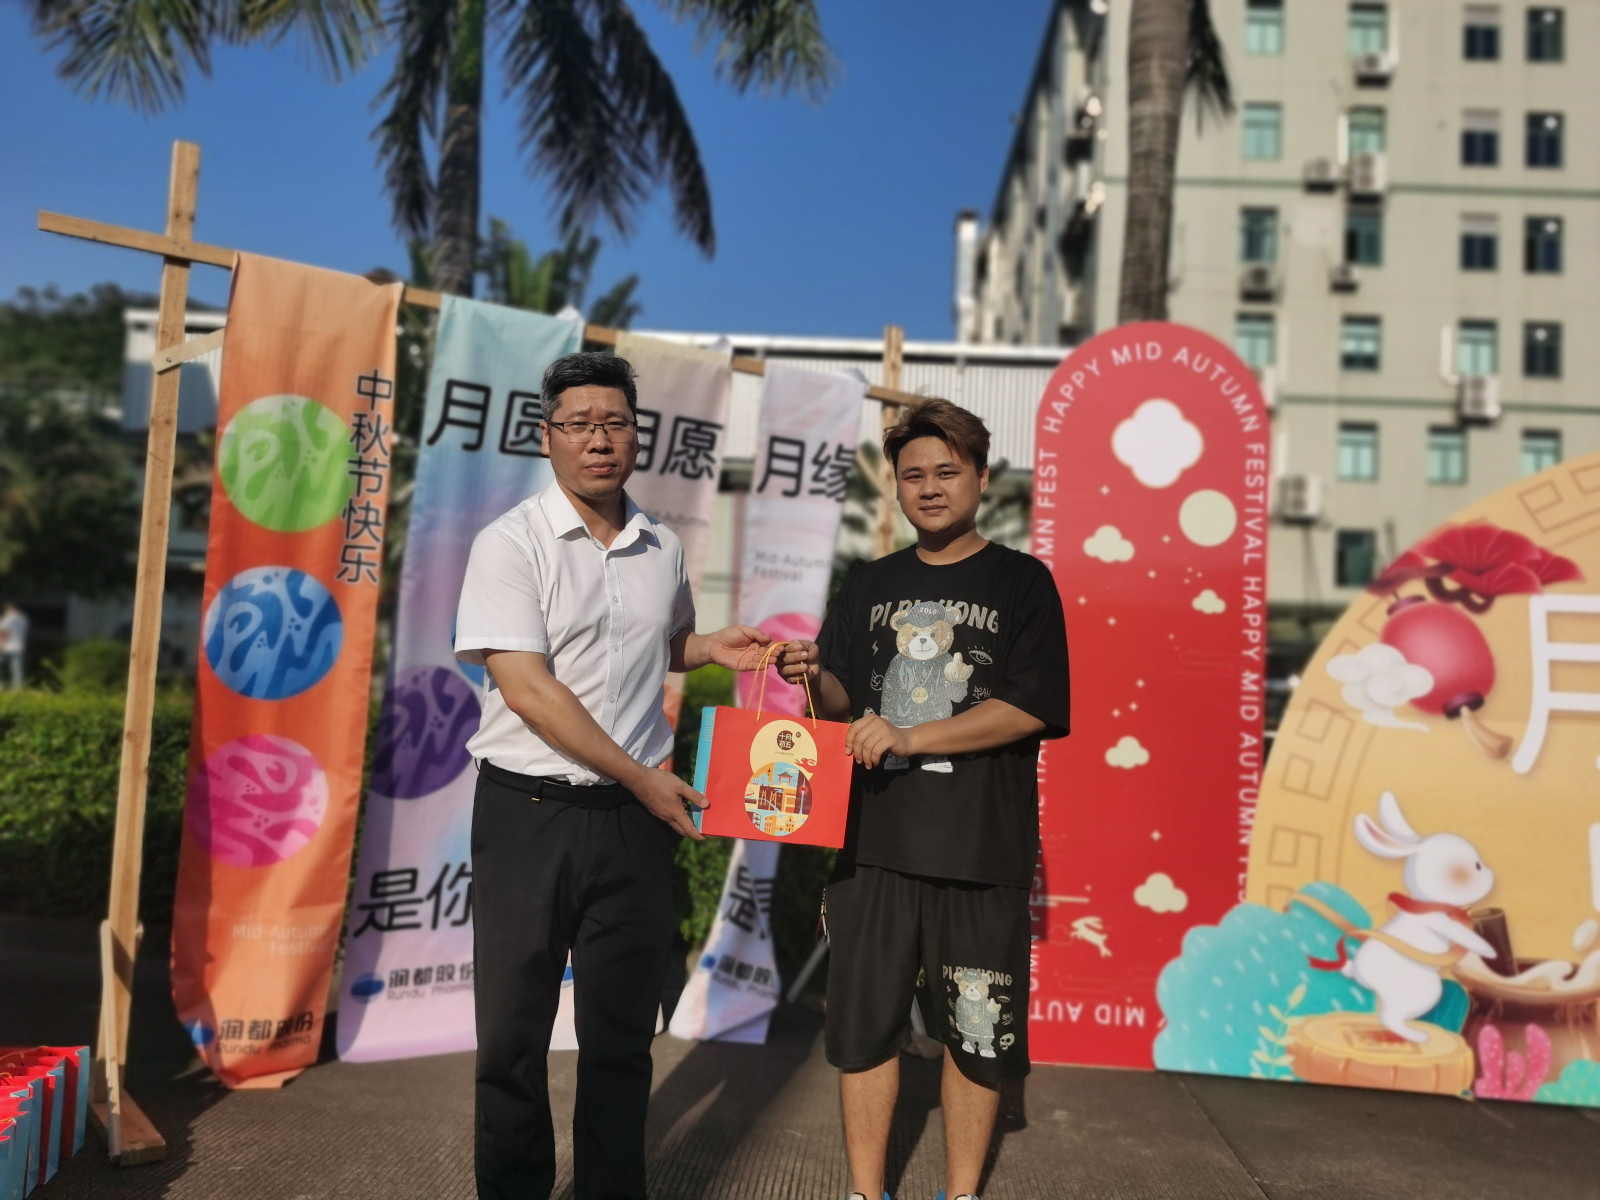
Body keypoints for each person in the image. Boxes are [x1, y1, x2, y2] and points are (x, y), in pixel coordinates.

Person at [453, 351, 770, 1200]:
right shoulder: (509, 545)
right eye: (579, 424)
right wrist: (640, 776)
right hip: (528, 815)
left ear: (638, 435)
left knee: (622, 1041)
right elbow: (529, 689)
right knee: (512, 1041)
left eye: (615, 423)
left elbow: (655, 642)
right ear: (547, 436)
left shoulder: (661, 545)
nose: (599, 440)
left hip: (630, 826)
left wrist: (707, 647)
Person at [778, 398, 1070, 1200]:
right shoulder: (870, 583)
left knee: (977, 1036)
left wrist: (910, 735)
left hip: (981, 853)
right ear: (896, 488)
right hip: (871, 848)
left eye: (947, 471)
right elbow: (842, 703)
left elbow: (1029, 707)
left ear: (982, 478)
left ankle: (961, 1193)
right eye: (913, 476)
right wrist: (814, 675)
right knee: (863, 1031)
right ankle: (864, 1192)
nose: (930, 488)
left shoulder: (1022, 582)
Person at [0, 604, 28, 690]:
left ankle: (1, 686)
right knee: (17, 669)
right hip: (18, 647)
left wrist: (1, 645)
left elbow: (3, 632)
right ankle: (17, 689)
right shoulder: (23, 618)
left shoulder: (7, 618)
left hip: (5, 647)